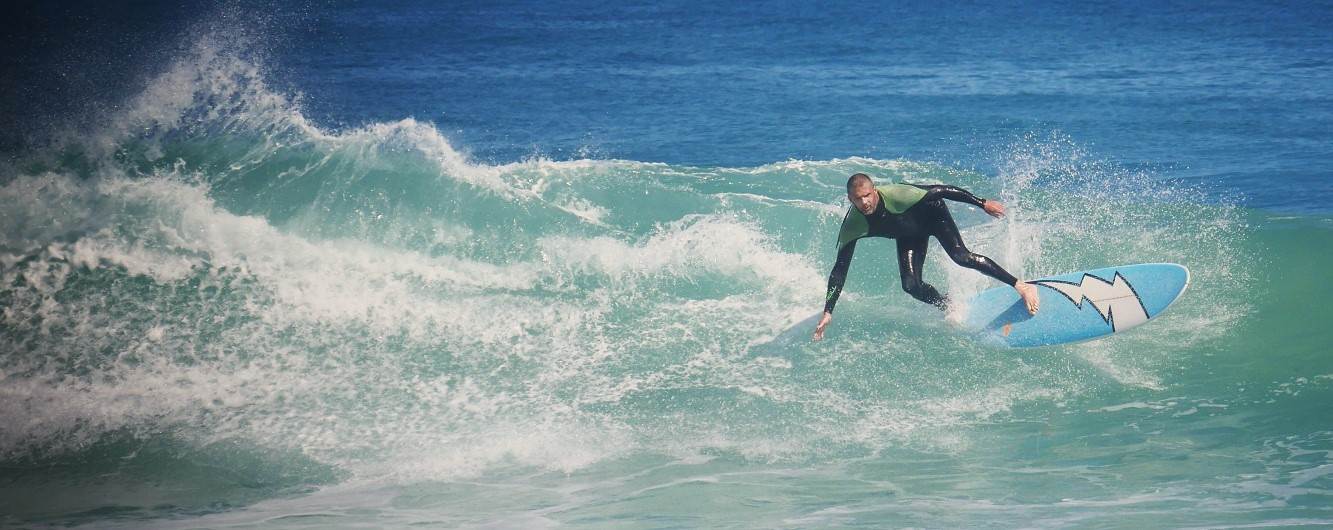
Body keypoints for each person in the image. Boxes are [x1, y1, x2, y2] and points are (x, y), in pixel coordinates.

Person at [812, 173, 1039, 341]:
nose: (865, 203)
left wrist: (981, 203)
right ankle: (947, 304)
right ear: (850, 199)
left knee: (961, 256)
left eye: (867, 196)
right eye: (858, 199)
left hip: (933, 215)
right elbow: (839, 270)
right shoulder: (854, 224)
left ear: (874, 191)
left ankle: (1021, 286)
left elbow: (941, 190)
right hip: (908, 234)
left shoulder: (897, 194)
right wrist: (828, 311)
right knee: (910, 285)